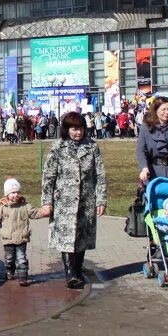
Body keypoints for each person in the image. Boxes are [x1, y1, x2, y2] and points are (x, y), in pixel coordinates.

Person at [38, 112, 107, 289]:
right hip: (64, 201)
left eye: (81, 129)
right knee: (66, 237)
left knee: (81, 236)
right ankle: (70, 273)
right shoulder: (58, 147)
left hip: (86, 200)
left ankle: (78, 269)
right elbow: (49, 176)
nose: (78, 133)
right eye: (74, 129)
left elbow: (99, 174)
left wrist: (101, 200)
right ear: (67, 129)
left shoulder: (92, 147)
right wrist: (47, 202)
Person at [0, 177, 35, 286]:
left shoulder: (25, 206)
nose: (15, 195)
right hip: (8, 240)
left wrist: (45, 211)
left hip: (21, 238)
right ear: (7, 195)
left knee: (21, 259)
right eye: (13, 192)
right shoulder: (2, 208)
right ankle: (9, 272)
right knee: (9, 259)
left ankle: (22, 278)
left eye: (17, 192)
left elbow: (35, 212)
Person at [137, 96, 168, 185]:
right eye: (163, 109)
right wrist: (144, 168)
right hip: (151, 174)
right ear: (156, 110)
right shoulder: (145, 128)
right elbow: (141, 151)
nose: (167, 112)